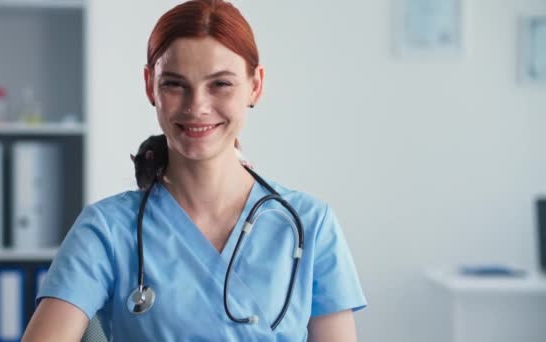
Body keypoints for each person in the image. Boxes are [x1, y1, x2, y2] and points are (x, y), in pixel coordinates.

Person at [22, 0, 366, 340]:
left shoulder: (310, 225)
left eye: (220, 84)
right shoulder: (107, 230)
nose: (197, 106)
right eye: (174, 84)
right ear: (149, 86)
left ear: (255, 86)